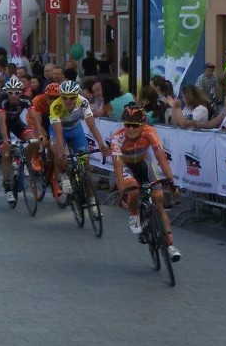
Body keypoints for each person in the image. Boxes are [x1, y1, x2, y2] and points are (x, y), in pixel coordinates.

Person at [111, 104, 181, 261]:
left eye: (135, 126)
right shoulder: (117, 137)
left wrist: (171, 181)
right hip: (126, 166)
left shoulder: (150, 132)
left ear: (142, 125)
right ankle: (134, 213)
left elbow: (161, 158)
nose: (130, 129)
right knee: (134, 191)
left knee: (158, 199)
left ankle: (170, 245)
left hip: (144, 164)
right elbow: (117, 167)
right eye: (127, 125)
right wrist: (123, 193)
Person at [49, 80, 110, 207]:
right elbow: (59, 133)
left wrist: (102, 145)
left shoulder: (83, 102)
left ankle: (92, 201)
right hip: (59, 130)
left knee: (86, 167)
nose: (68, 101)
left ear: (76, 96)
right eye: (64, 97)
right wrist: (61, 153)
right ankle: (64, 178)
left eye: (71, 97)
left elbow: (91, 125)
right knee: (58, 153)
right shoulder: (55, 106)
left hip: (76, 130)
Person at [0, 77, 41, 203]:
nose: (13, 96)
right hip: (2, 125)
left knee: (34, 141)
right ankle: (7, 186)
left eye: (17, 92)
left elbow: (34, 117)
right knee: (6, 154)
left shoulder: (26, 100)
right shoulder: (2, 100)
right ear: (6, 92)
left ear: (21, 92)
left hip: (16, 123)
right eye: (10, 93)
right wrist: (5, 140)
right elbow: (3, 122)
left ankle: (25, 160)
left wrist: (40, 134)